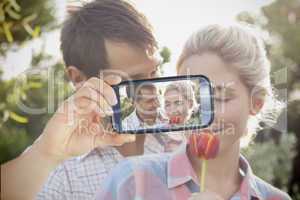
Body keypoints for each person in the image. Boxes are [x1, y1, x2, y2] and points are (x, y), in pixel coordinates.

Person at [1, 1, 182, 200]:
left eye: (155, 70)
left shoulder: (180, 141)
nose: (154, 90)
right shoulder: (54, 168)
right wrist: (47, 153)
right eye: (136, 79)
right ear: (79, 79)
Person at [95, 24, 292, 200]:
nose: (202, 112)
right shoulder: (129, 181)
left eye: (220, 96)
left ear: (256, 102)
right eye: (195, 94)